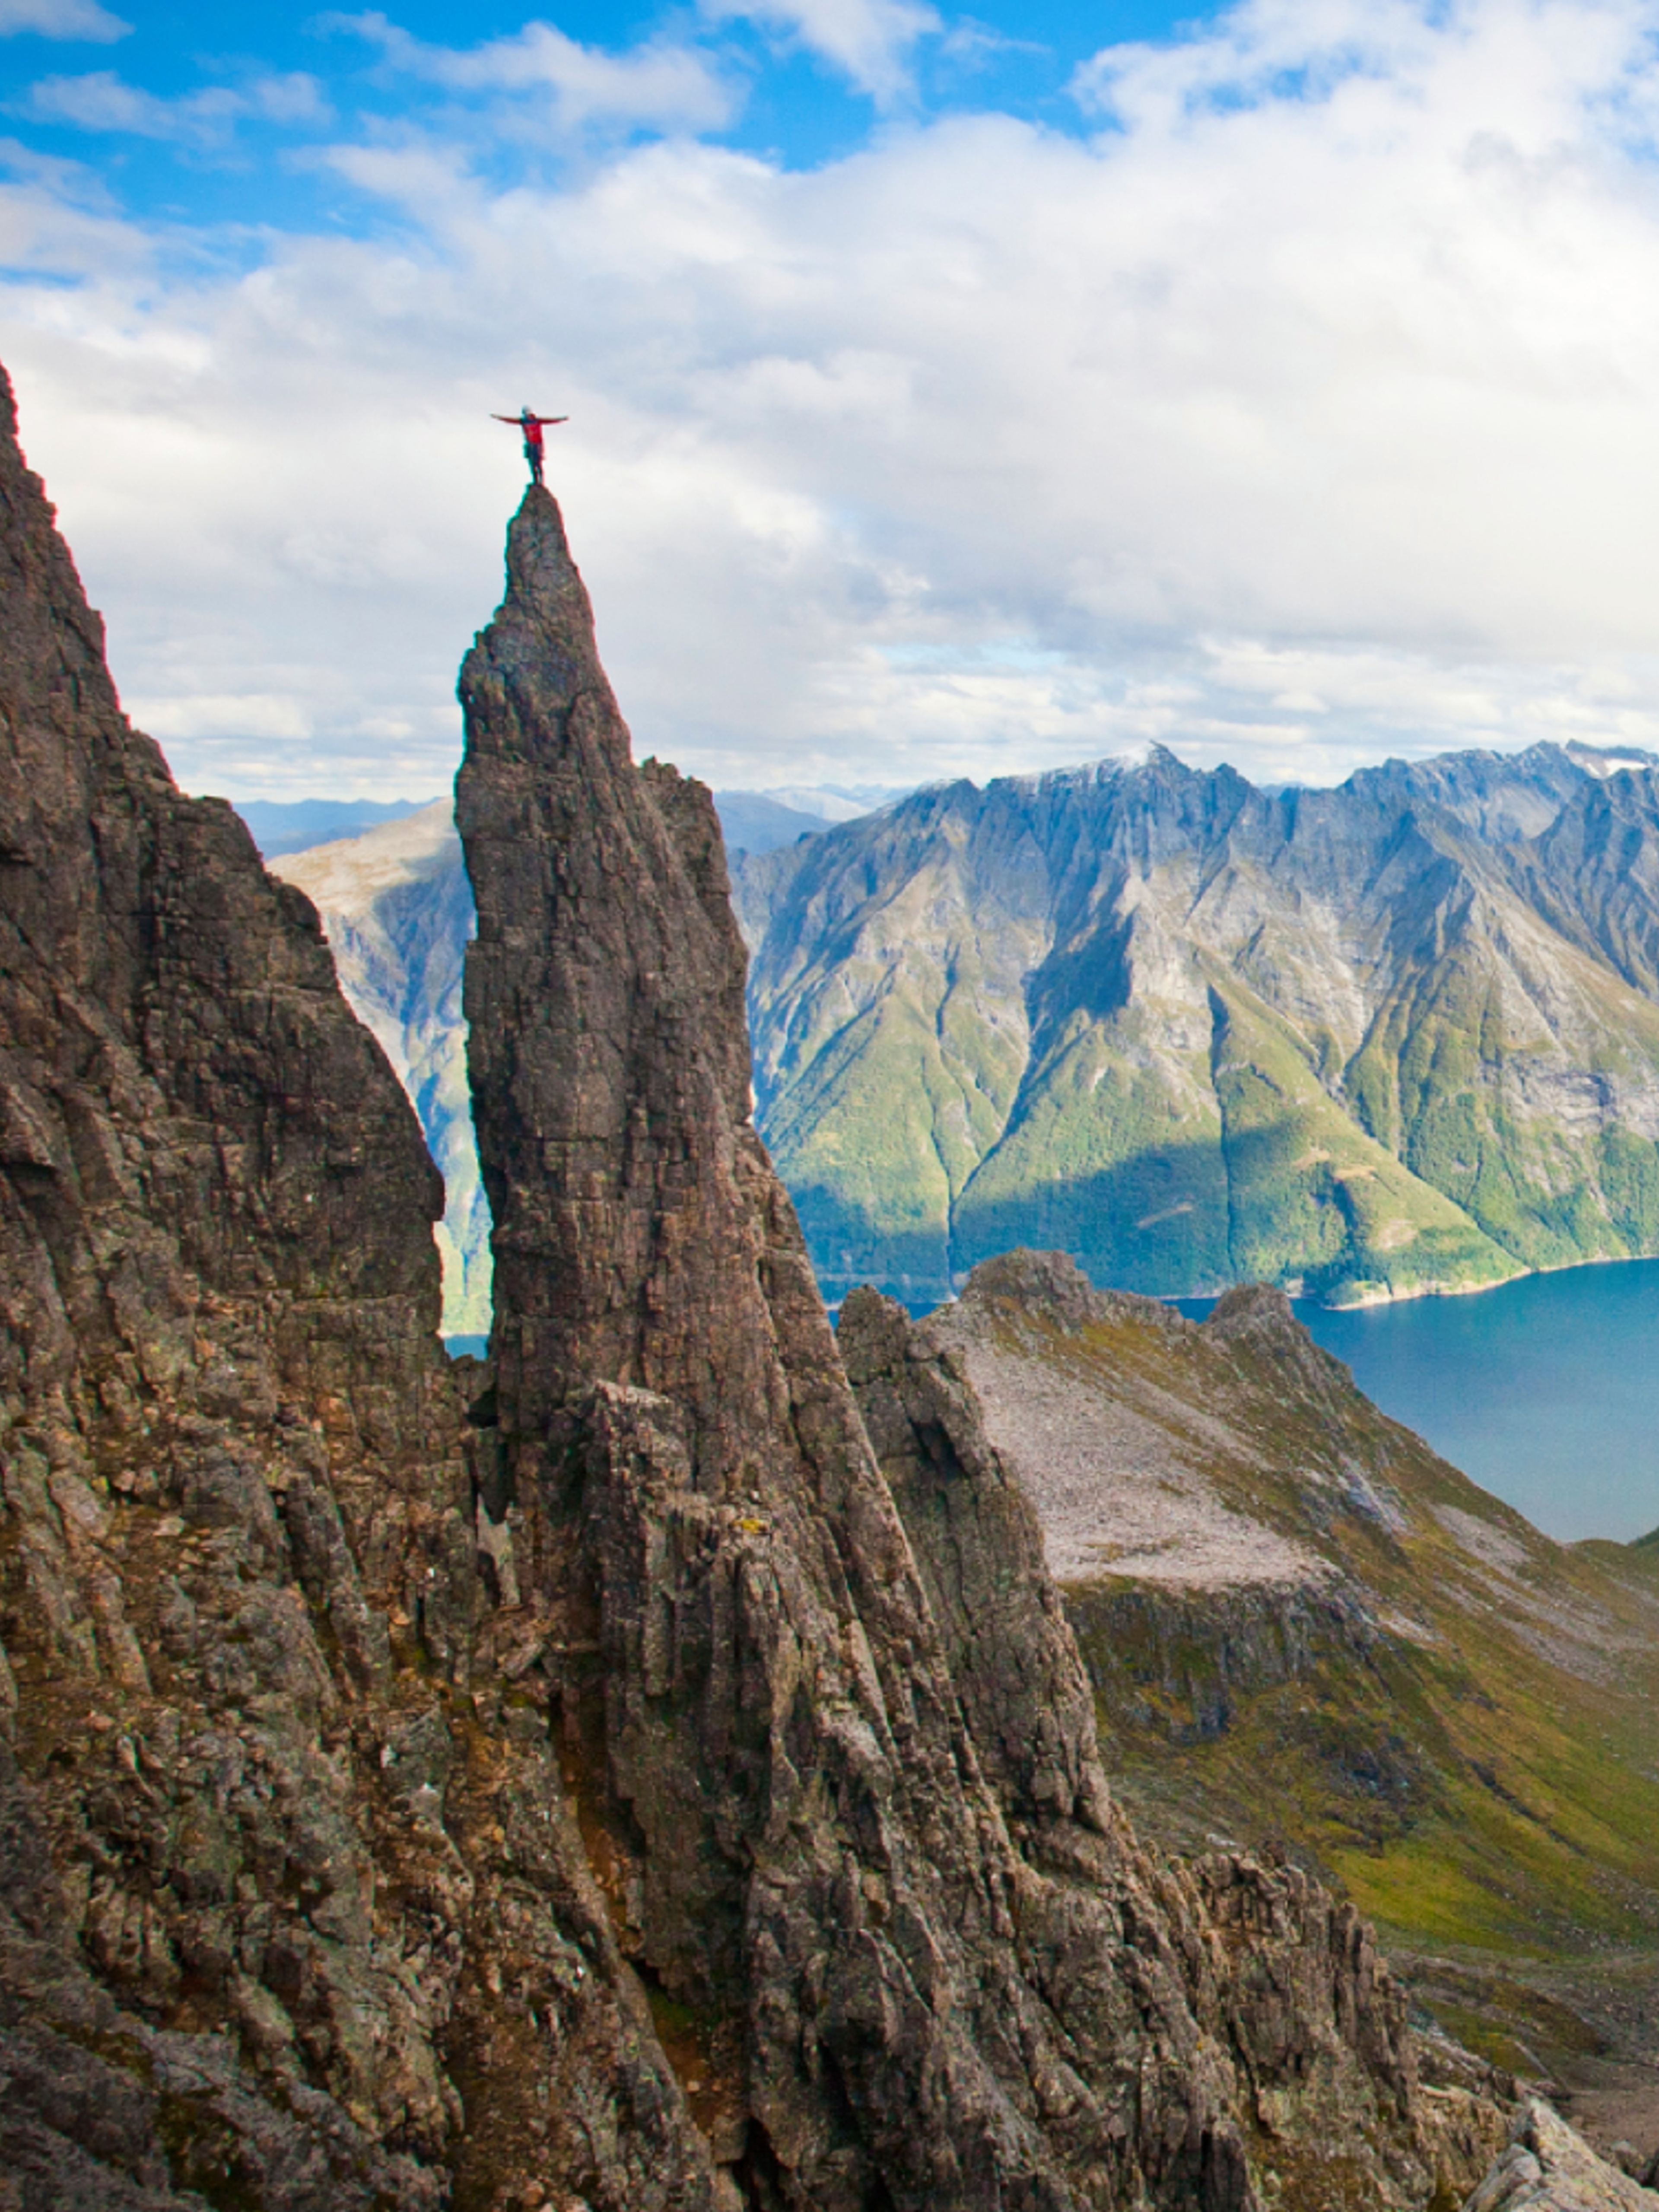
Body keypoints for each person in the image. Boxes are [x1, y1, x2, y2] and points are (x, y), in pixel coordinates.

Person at [492, 406, 568, 486]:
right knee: (532, 464)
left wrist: (561, 419)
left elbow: (550, 421)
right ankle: (535, 481)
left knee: (538, 464)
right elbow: (510, 420)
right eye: (527, 415)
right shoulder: (523, 422)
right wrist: (498, 417)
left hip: (538, 445)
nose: (529, 416)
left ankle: (541, 482)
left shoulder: (537, 421)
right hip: (529, 445)